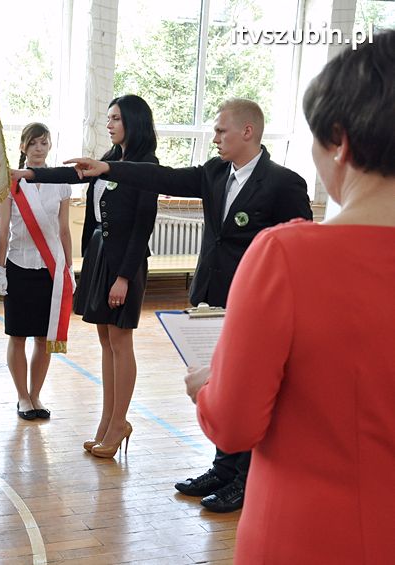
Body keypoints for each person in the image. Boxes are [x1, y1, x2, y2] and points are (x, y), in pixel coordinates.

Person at [183, 30, 395, 563]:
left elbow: (234, 422)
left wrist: (208, 385)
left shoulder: (287, 255)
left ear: (340, 141)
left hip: (312, 534)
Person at [58, 98, 312, 511]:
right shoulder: (215, 173)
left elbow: (301, 250)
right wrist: (109, 168)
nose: (213, 138)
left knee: (251, 388)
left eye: (221, 131)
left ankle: (245, 479)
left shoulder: (284, 183)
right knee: (220, 384)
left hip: (257, 304)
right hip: (211, 296)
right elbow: (165, 176)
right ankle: (223, 466)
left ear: (248, 132)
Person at [13, 96, 159, 455]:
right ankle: (109, 422)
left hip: (125, 262)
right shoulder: (108, 160)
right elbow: (71, 175)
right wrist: (27, 175)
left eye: (115, 119)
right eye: (108, 117)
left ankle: (118, 422)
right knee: (106, 343)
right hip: (100, 257)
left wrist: (124, 276)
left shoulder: (146, 165)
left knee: (121, 343)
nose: (108, 124)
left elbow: (143, 226)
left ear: (134, 123)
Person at [0, 123, 73, 421]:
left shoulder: (61, 183)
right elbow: (3, 230)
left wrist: (68, 267)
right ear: (23, 148)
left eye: (44, 143)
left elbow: (64, 230)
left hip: (50, 269)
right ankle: (22, 396)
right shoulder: (11, 183)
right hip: (18, 265)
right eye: (34, 144)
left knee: (43, 337)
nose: (39, 149)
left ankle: (36, 393)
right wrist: (0, 268)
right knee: (17, 335)